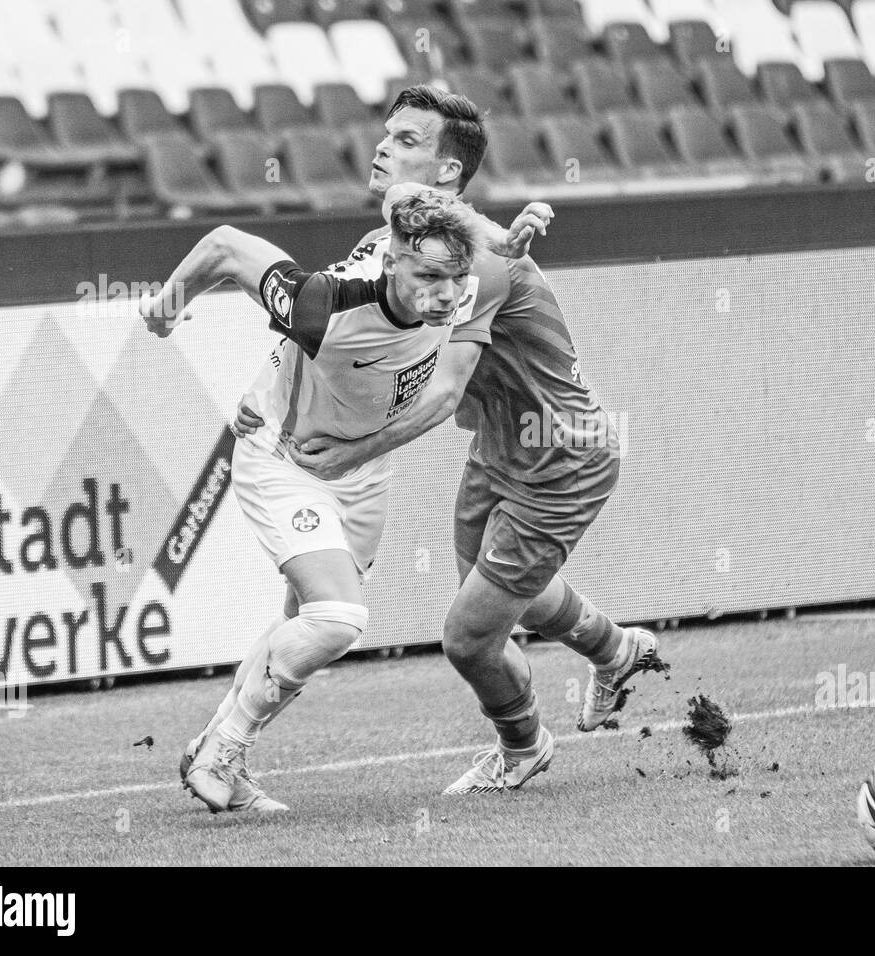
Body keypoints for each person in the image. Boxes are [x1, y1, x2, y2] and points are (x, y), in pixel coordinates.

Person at [237, 85, 667, 795]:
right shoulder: (401, 238)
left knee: (468, 638)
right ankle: (616, 651)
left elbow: (439, 393)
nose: (382, 146)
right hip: (499, 448)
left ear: (446, 174)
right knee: (503, 595)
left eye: (407, 140)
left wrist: (349, 456)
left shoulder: (482, 264)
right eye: (387, 132)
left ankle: (524, 747)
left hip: (562, 457)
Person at [139, 191, 492, 813]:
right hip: (286, 459)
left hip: (360, 473)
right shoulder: (325, 307)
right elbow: (226, 243)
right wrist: (168, 307)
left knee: (302, 622)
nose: (446, 294)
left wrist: (513, 239)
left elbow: (452, 361)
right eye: (429, 277)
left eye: (456, 277)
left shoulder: (465, 278)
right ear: (392, 260)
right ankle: (223, 750)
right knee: (338, 618)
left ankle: (212, 752)